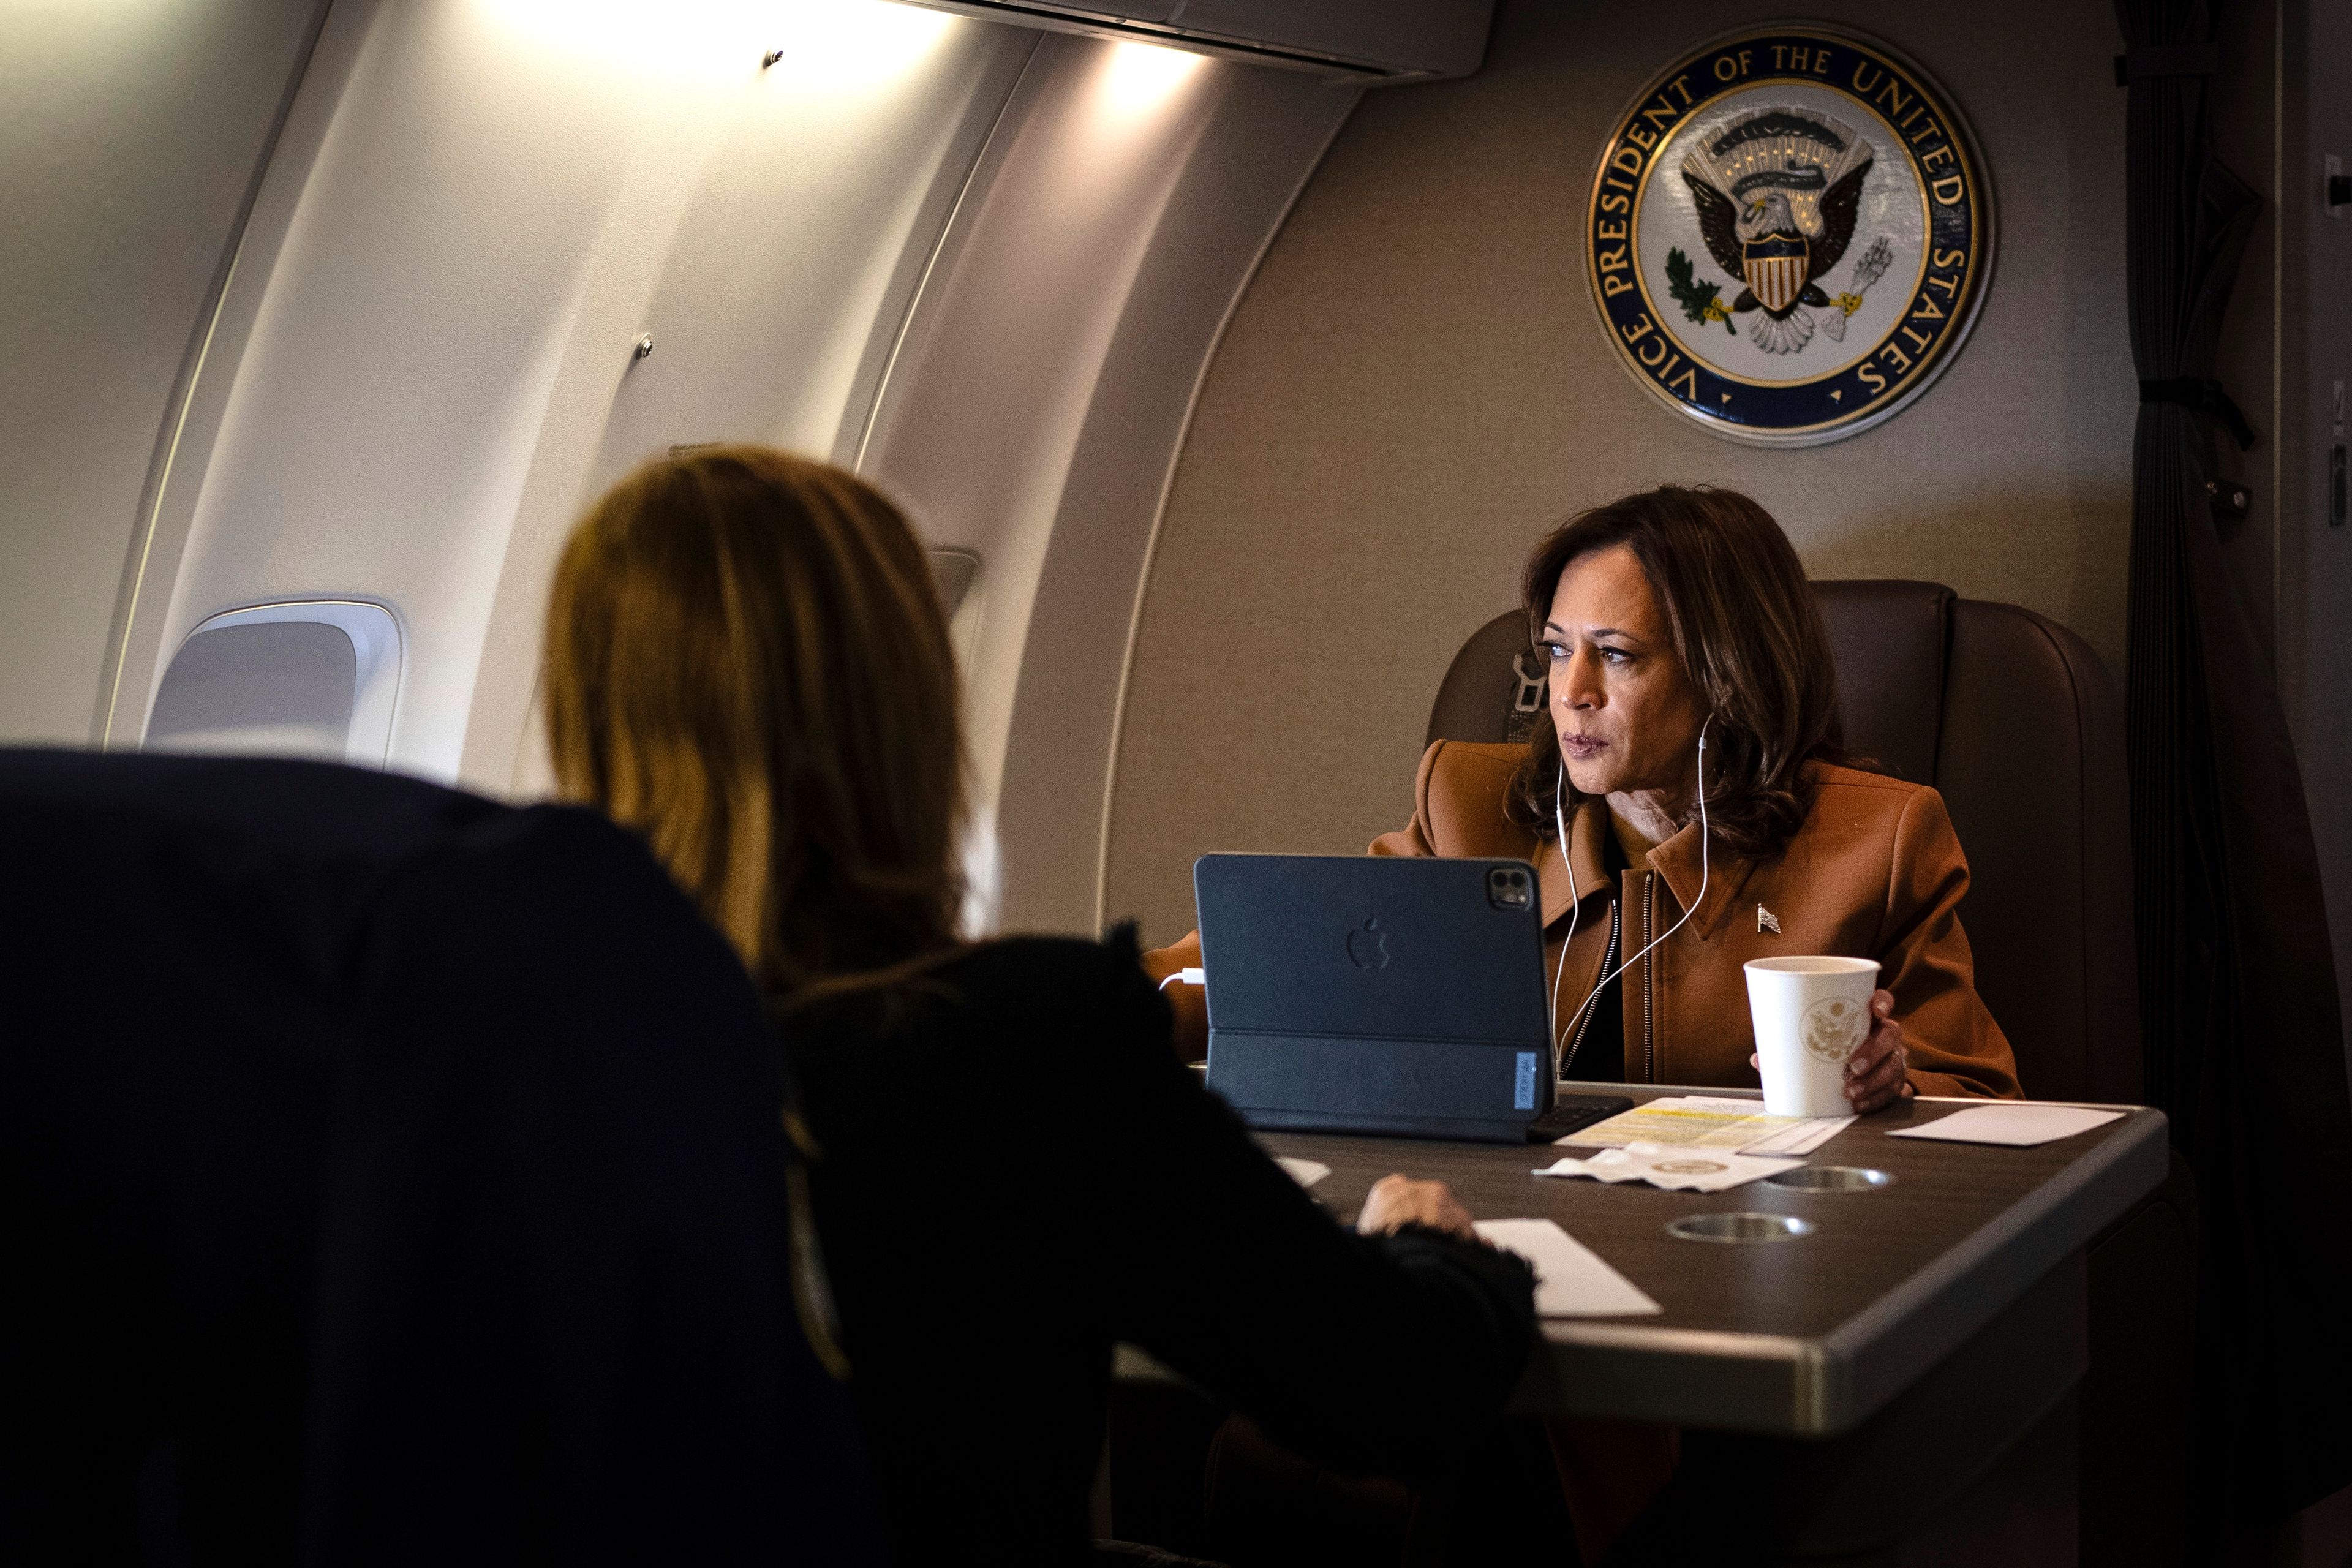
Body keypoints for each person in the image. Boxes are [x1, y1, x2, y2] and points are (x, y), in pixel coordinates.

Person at [537, 445, 1539, 1564]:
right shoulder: (1020, 1042)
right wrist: (1437, 1253)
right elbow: (1390, 1391)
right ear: (903, 711)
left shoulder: (496, 1033)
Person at [1145, 485, 2021, 1107]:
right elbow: (1303, 970)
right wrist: (1116, 1004)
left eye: (1619, 654)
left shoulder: (1880, 839)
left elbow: (1982, 1093)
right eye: (1559, 650)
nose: (1572, 693)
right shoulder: (1465, 806)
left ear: (1728, 674)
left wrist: (1894, 1081)